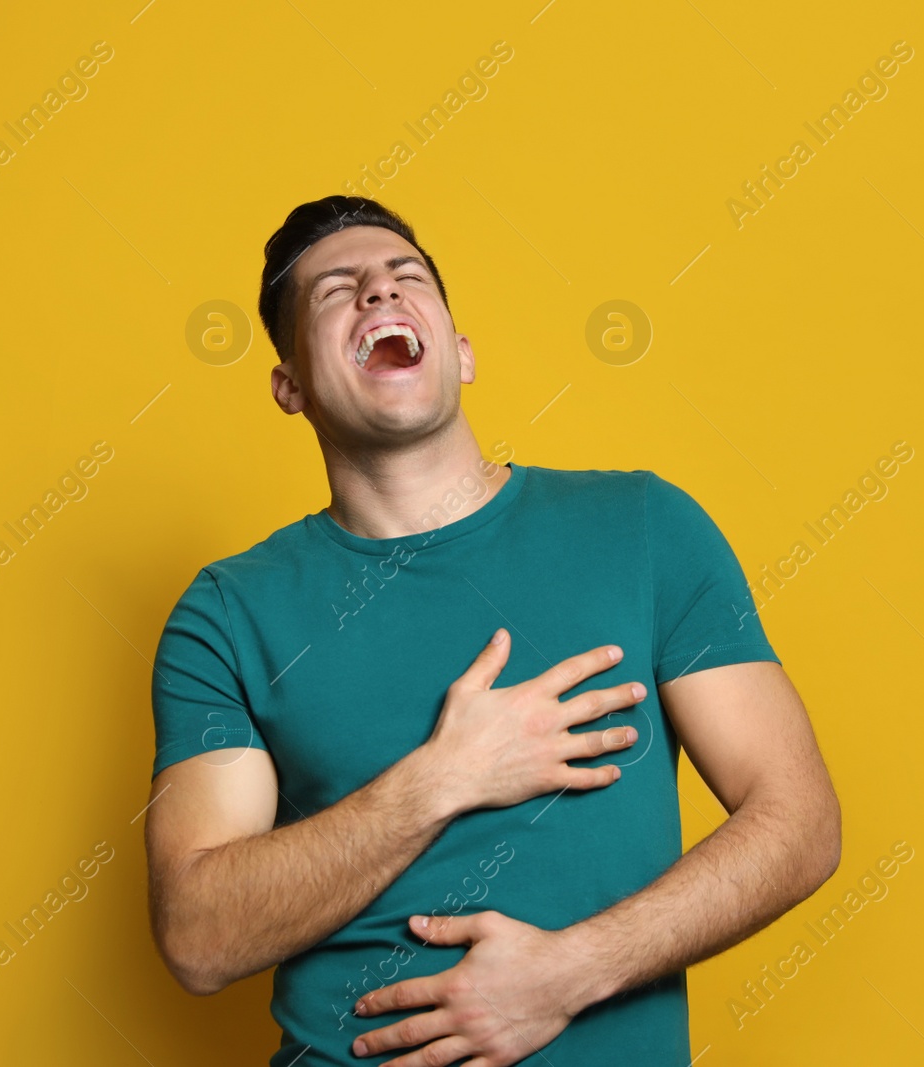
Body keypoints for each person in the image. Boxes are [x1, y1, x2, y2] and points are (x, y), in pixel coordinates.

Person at [143, 195, 841, 1067]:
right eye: (336, 291)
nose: (377, 294)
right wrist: (442, 778)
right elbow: (198, 937)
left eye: (406, 279)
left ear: (461, 352)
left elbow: (800, 819)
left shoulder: (642, 528)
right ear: (290, 385)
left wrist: (570, 971)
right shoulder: (228, 612)